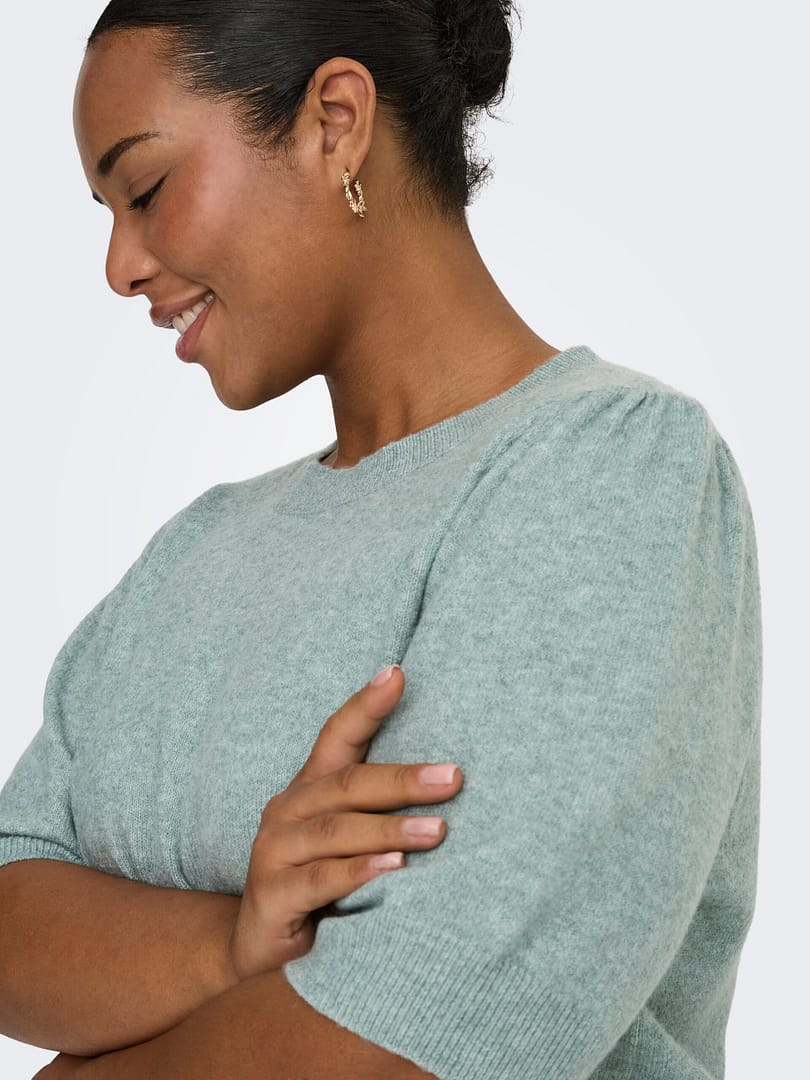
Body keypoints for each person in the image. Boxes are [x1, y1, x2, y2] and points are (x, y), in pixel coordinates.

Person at [0, 2, 762, 1078]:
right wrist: (233, 941)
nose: (120, 266)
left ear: (337, 121)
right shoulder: (195, 551)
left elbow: (416, 1043)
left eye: (148, 189)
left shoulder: (611, 469)